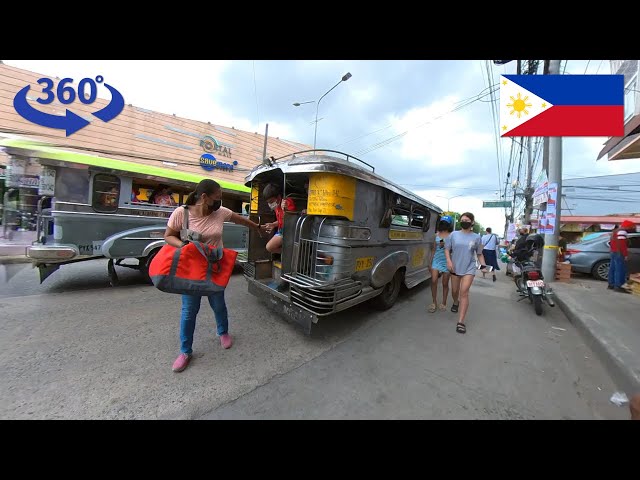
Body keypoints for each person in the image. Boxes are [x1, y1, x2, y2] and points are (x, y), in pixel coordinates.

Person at [163, 179, 263, 373]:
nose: (219, 201)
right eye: (217, 197)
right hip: (191, 271)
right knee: (189, 311)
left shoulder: (220, 212)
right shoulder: (181, 213)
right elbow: (168, 235)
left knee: (218, 305)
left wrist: (257, 227)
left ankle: (223, 332)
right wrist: (182, 246)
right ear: (204, 197)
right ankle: (185, 352)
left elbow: (239, 219)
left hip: (214, 269)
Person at [444, 212, 488, 334]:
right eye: (462, 219)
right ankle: (455, 302)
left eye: (467, 220)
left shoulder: (477, 237)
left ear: (472, 222)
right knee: (454, 291)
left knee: (464, 292)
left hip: (469, 268)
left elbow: (479, 253)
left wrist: (483, 265)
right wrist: (448, 261)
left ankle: (461, 321)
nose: (464, 221)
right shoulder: (453, 234)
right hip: (455, 267)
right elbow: (447, 249)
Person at [428, 216, 453, 313]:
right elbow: (433, 249)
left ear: (449, 224)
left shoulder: (452, 235)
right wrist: (429, 262)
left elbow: (454, 249)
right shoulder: (436, 235)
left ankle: (444, 303)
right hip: (436, 260)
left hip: (447, 261)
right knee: (434, 280)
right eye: (442, 222)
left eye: (446, 222)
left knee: (445, 283)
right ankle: (434, 302)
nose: (444, 224)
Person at [262, 183, 296, 254]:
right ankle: (287, 253)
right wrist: (273, 224)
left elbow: (292, 218)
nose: (270, 204)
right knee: (269, 247)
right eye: (268, 202)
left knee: (269, 247)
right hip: (281, 230)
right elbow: (280, 220)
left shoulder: (287, 202)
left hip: (289, 231)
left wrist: (286, 210)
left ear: (278, 197)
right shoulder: (276, 206)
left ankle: (289, 254)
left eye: (271, 201)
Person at [608, 220, 634, 293]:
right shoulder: (622, 232)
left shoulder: (615, 231)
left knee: (612, 268)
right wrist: (625, 254)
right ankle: (619, 286)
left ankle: (611, 284)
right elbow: (622, 244)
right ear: (628, 226)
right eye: (631, 227)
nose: (631, 229)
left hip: (613, 252)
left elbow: (612, 243)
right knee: (620, 269)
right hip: (619, 253)